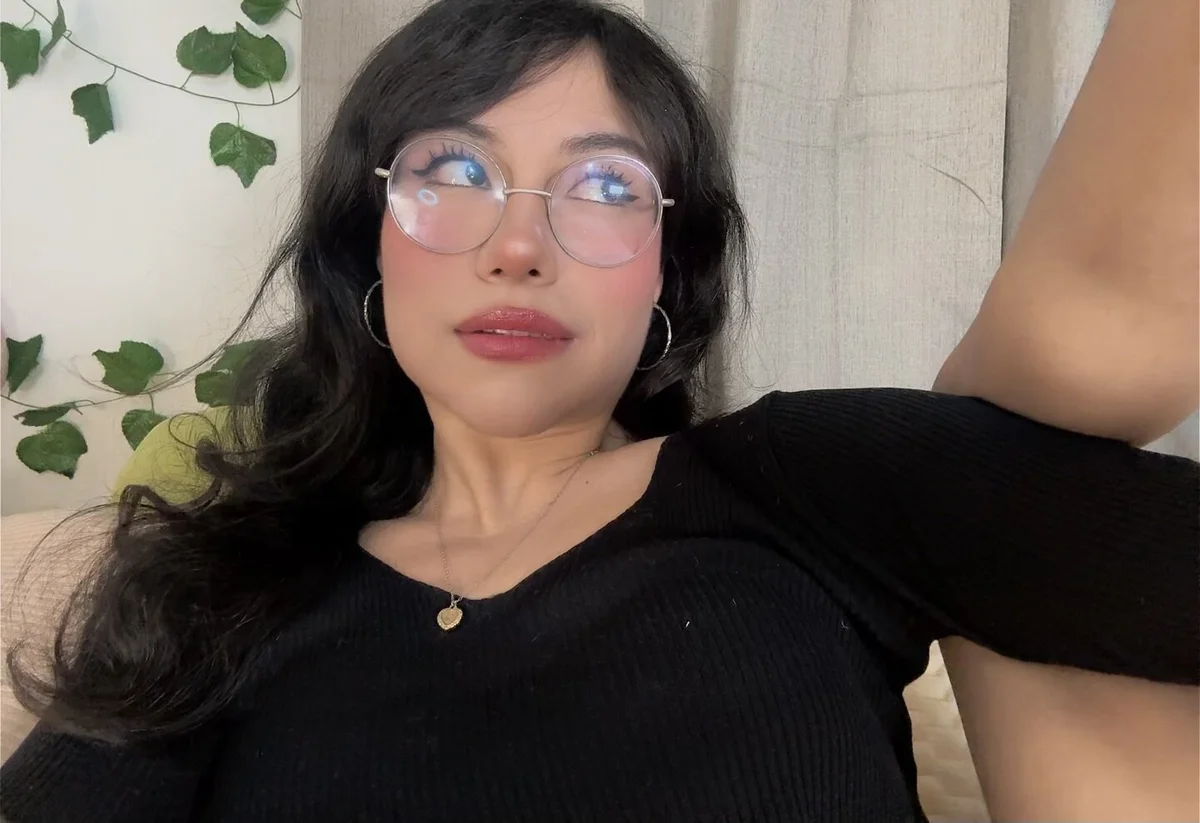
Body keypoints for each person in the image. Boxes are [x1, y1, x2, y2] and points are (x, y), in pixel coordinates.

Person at [2, 0, 1196, 821]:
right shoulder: (218, 593)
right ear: (368, 247)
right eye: (454, 172)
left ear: (668, 273)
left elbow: (1108, 404)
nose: (518, 245)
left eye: (604, 185)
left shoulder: (808, 486)